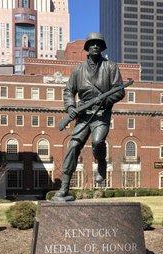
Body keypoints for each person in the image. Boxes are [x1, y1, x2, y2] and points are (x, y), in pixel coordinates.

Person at [54, 32, 125, 199]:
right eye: (91, 44)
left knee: (98, 141)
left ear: (102, 47)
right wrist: (71, 106)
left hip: (101, 114)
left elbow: (120, 91)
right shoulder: (78, 70)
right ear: (87, 47)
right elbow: (69, 91)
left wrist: (105, 100)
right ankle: (64, 187)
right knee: (73, 146)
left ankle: (101, 162)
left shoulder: (111, 67)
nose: (95, 46)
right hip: (84, 115)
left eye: (98, 44)